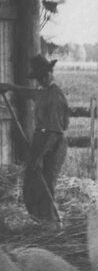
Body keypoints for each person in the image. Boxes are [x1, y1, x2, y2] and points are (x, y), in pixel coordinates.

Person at [0, 55, 69, 221]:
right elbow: (30, 93)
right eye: (38, 78)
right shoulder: (43, 92)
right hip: (42, 139)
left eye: (43, 76)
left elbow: (54, 131)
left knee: (46, 182)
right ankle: (37, 218)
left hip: (53, 143)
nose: (41, 80)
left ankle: (50, 221)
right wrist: (11, 87)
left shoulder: (55, 96)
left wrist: (39, 156)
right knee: (32, 180)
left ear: (49, 74)